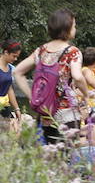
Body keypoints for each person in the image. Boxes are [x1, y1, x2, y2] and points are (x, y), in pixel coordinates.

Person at [12, 9, 86, 145]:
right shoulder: (73, 52)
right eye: (74, 25)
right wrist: (87, 95)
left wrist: (32, 97)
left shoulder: (41, 50)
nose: (75, 29)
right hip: (66, 114)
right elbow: (77, 76)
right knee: (65, 159)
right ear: (67, 27)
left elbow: (17, 72)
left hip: (45, 113)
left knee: (49, 157)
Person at [1, 39, 22, 134]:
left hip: (4, 106)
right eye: (14, 56)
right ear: (6, 52)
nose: (15, 59)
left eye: (17, 57)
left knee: (15, 132)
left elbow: (9, 89)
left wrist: (17, 109)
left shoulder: (11, 69)